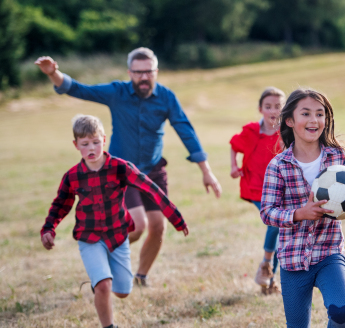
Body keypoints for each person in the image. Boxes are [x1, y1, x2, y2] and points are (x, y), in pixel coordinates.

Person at [34, 48, 221, 287]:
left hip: (153, 170)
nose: (143, 77)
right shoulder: (117, 92)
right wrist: (54, 74)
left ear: (156, 71)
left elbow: (186, 131)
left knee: (158, 227)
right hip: (120, 173)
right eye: (138, 72)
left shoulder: (166, 97)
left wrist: (206, 171)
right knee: (138, 225)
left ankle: (141, 276)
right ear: (129, 72)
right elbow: (80, 89)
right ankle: (101, 257)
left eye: (148, 72)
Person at [40, 115, 188, 328]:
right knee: (104, 286)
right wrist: (48, 228)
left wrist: (176, 218)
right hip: (89, 238)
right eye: (85, 143)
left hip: (118, 236)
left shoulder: (120, 168)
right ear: (76, 145)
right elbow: (61, 204)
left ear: (104, 140)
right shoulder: (72, 176)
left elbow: (151, 189)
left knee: (122, 291)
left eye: (96, 142)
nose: (91, 148)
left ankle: (101, 277)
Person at [260, 88, 345, 328]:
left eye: (320, 114)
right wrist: (300, 213)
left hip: (329, 252)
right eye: (306, 113)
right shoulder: (279, 165)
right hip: (293, 259)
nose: (314, 120)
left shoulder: (337, 157)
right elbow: (267, 211)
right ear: (290, 120)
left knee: (341, 311)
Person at [229, 87, 285, 294]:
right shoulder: (251, 131)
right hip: (255, 189)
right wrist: (234, 166)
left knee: (282, 229)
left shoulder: (287, 133)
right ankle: (266, 265)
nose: (273, 110)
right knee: (275, 222)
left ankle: (269, 280)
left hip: (280, 190)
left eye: (278, 106)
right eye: (268, 106)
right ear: (260, 108)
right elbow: (234, 145)